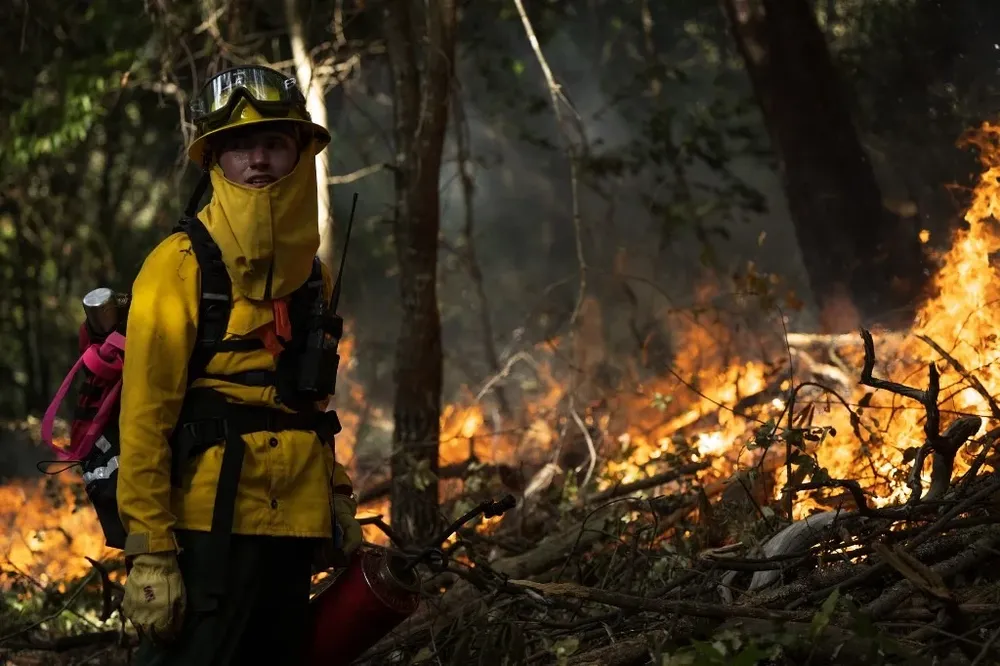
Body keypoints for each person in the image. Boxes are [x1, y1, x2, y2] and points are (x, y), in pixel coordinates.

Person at [116, 65, 363, 665]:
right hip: (208, 529)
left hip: (294, 528)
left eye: (273, 142)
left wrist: (335, 495)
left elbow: (311, 407)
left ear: (299, 152)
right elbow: (145, 420)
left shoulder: (314, 276)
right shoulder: (177, 265)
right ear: (214, 162)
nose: (258, 159)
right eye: (239, 146)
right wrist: (150, 550)